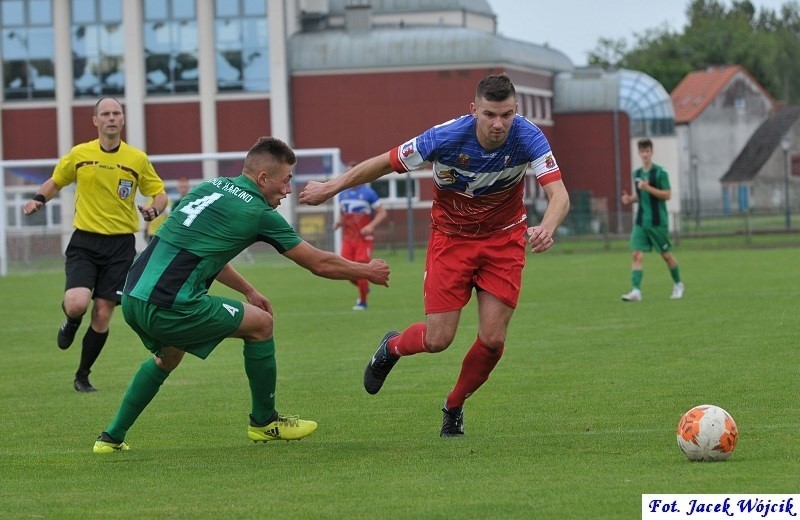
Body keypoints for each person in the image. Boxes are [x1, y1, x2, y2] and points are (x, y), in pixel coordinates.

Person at [299, 73, 570, 437]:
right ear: (473, 110)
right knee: (438, 339)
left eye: (506, 115)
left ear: (516, 110)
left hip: (503, 241)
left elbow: (559, 195)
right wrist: (332, 187)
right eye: (490, 114)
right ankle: (391, 347)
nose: (498, 124)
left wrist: (547, 228)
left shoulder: (529, 136)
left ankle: (454, 405)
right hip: (451, 239)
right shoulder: (443, 137)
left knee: (493, 340)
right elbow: (385, 162)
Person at [92, 136, 390, 454]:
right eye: (286, 180)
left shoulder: (210, 188)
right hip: (171, 303)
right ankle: (265, 422)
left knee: (169, 356)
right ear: (263, 178)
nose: (288, 190)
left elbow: (207, 252)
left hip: (134, 295)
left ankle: (110, 438)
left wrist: (249, 290)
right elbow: (317, 262)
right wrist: (366, 271)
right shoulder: (258, 212)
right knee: (261, 325)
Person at [23, 97, 167, 393]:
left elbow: (159, 193)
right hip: (85, 243)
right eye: (105, 114)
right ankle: (71, 321)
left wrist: (154, 210)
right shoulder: (80, 154)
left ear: (123, 119)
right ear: (95, 120)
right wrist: (38, 200)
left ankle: (83, 375)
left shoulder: (136, 158)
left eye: (116, 113)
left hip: (121, 247)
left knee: (102, 312)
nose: (111, 118)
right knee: (76, 304)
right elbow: (56, 181)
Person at [620, 138, 684, 302]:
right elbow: (641, 196)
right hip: (641, 221)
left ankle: (678, 284)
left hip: (657, 222)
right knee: (636, 254)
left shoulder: (660, 173)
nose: (645, 154)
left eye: (647, 151)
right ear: (639, 153)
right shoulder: (637, 174)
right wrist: (630, 199)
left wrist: (648, 187)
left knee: (666, 256)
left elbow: (667, 194)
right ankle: (636, 291)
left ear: (651, 152)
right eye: (642, 151)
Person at [334, 165, 388, 310]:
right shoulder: (342, 194)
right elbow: (342, 212)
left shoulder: (369, 193)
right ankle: (363, 287)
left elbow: (382, 213)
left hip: (364, 239)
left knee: (362, 268)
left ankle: (363, 302)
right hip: (348, 238)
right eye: (348, 172)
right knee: (345, 270)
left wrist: (371, 226)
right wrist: (338, 221)